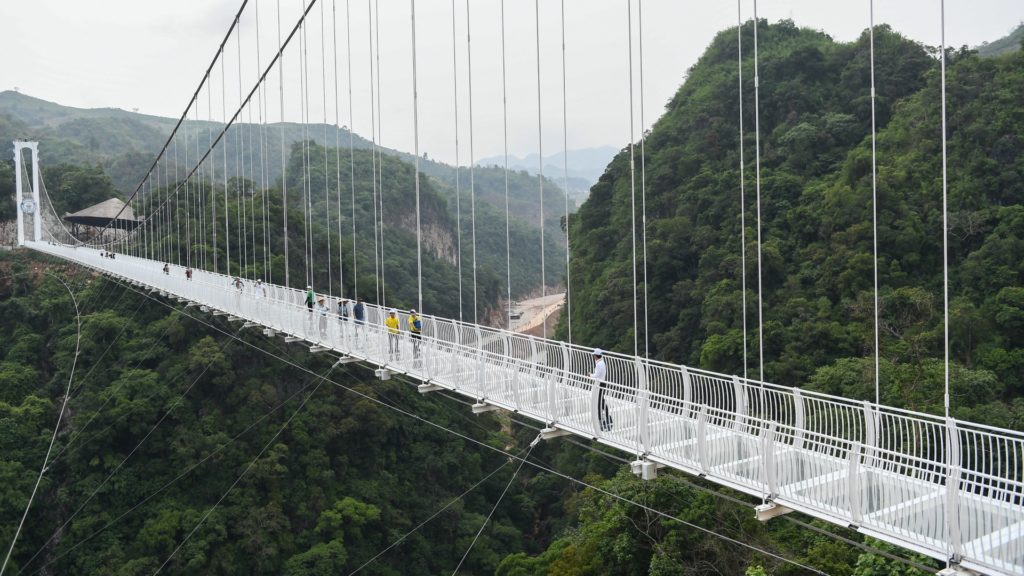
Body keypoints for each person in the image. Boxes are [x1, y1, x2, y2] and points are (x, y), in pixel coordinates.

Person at [592, 348, 612, 431]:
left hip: (599, 384)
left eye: (594, 355)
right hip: (602, 383)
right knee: (601, 401)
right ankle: (607, 417)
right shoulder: (602, 363)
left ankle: (601, 419)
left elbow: (596, 375)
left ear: (596, 356)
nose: (593, 357)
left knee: (599, 402)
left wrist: (590, 375)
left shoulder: (599, 364)